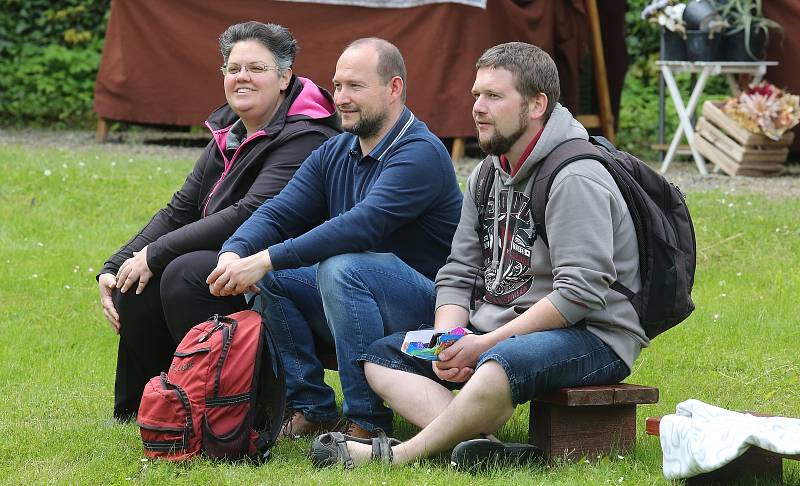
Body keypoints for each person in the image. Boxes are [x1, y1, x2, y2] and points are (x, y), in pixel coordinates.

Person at [309, 41, 649, 468]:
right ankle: (488, 448)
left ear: (537, 104)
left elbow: (579, 294)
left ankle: (396, 456)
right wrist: (448, 341)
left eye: (494, 96)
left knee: (495, 364)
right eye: (476, 95)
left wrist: (483, 344)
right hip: (499, 327)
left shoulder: (575, 176)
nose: (478, 108)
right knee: (379, 359)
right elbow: (458, 270)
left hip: (593, 335)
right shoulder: (489, 172)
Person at [206, 38, 463, 440]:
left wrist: (268, 257)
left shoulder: (421, 153)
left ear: (394, 88)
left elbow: (361, 226)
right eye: (338, 86)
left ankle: (367, 422)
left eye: (355, 87)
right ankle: (312, 408)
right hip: (356, 300)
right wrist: (235, 252)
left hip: (431, 316)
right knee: (270, 277)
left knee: (341, 266)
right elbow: (279, 210)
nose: (341, 98)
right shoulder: (336, 150)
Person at [97, 21, 340, 421]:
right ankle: (148, 406)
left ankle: (239, 405)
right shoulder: (228, 131)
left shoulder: (306, 135)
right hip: (233, 256)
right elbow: (180, 209)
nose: (242, 77)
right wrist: (116, 263)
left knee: (185, 271)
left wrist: (155, 254)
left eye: (256, 68)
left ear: (284, 77)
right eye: (233, 68)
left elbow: (252, 212)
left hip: (289, 268)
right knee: (135, 278)